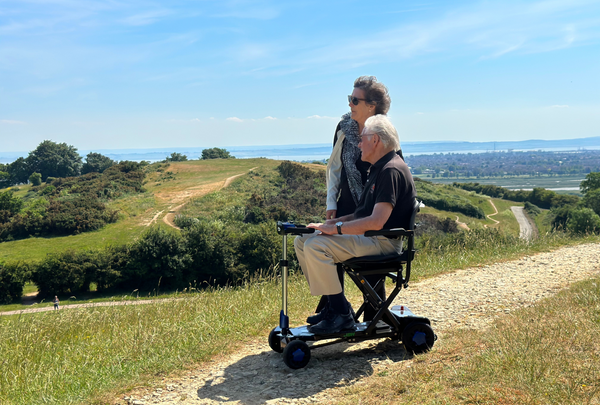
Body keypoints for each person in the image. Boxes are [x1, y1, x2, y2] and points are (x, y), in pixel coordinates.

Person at [294, 115, 416, 334]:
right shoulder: (379, 168)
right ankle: (336, 307)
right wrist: (329, 224)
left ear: (376, 140)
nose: (359, 144)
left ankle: (341, 315)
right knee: (303, 240)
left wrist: (336, 229)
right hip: (373, 237)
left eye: (362, 139)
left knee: (316, 246)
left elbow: (376, 222)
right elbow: (361, 214)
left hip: (383, 243)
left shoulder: (390, 171)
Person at [315, 76, 393, 320]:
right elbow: (334, 166)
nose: (349, 104)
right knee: (330, 246)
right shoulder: (344, 127)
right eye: (350, 98)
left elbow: (391, 166)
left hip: (375, 203)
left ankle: (375, 312)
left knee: (368, 264)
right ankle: (333, 310)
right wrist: (331, 205)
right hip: (348, 201)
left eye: (354, 99)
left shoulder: (383, 131)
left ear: (371, 105)